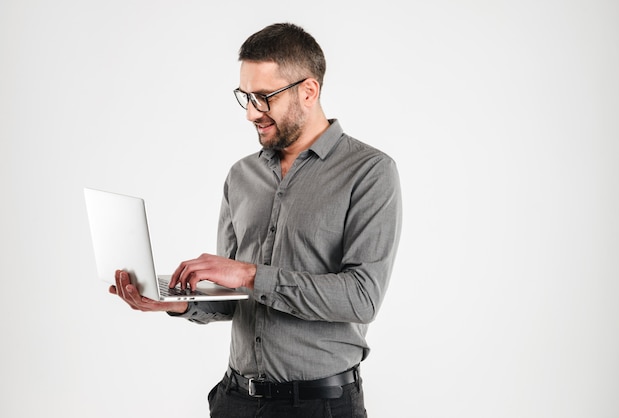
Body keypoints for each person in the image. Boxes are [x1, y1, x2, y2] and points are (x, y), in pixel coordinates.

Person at [110, 22, 402, 418]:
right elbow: (231, 302)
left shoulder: (370, 172)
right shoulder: (241, 175)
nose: (251, 113)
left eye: (264, 98)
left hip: (320, 406)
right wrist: (173, 303)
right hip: (235, 400)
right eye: (246, 97)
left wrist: (250, 274)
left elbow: (362, 298)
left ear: (309, 91)